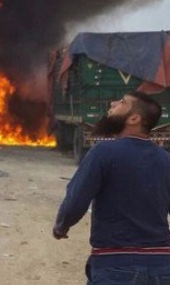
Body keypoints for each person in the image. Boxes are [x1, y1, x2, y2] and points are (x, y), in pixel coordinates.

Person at [53, 91, 170, 284]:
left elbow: (76, 200)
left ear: (134, 118)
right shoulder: (166, 159)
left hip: (115, 265)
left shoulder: (103, 153)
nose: (113, 103)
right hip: (162, 268)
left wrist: (61, 226)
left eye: (122, 102)